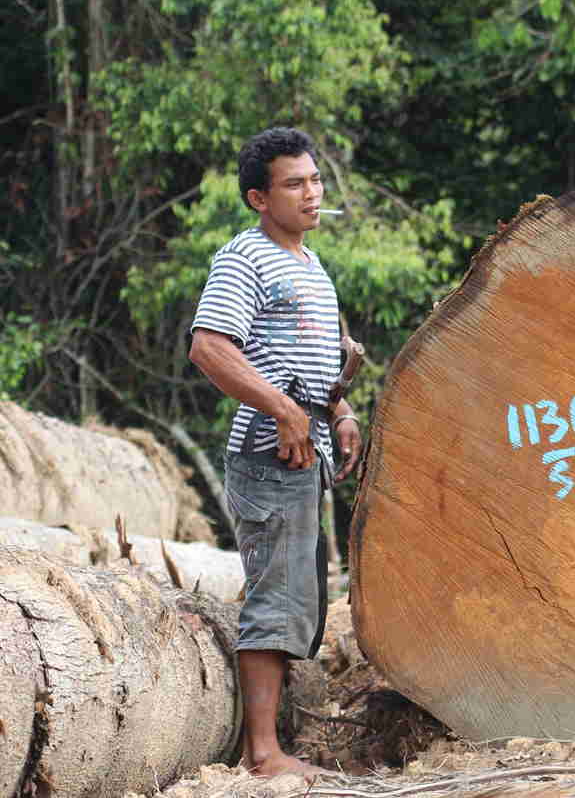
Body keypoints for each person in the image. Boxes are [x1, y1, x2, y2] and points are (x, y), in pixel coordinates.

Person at [189, 127, 363, 777]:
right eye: (295, 183)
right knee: (276, 596)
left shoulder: (311, 265)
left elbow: (321, 360)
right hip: (267, 454)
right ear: (259, 197)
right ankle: (261, 753)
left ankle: (272, 741)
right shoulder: (245, 258)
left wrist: (338, 411)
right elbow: (209, 346)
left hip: (305, 452)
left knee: (300, 597)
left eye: (315, 179)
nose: (312, 192)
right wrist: (283, 408)